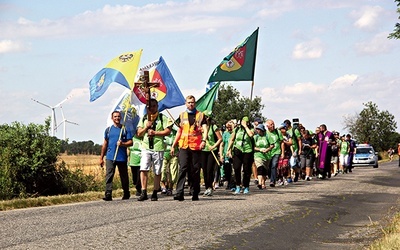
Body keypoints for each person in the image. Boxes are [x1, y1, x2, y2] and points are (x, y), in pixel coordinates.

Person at [171, 95, 208, 201]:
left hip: (196, 147)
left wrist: (204, 140)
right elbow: (179, 131)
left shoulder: (201, 116)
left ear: (195, 103)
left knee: (195, 170)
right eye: (188, 102)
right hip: (183, 146)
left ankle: (195, 192)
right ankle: (179, 192)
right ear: (185, 103)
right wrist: (173, 145)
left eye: (192, 102)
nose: (190, 104)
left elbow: (205, 129)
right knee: (182, 168)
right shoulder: (182, 116)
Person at [136, 99, 172, 201]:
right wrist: (145, 128)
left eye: (154, 106)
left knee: (157, 170)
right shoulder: (144, 118)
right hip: (146, 146)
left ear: (157, 106)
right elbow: (139, 133)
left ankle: (155, 191)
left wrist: (155, 133)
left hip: (158, 147)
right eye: (150, 106)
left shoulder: (162, 118)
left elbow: (168, 131)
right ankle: (144, 191)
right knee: (143, 169)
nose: (152, 108)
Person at [100, 111, 133, 201]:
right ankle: (108, 193)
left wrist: (123, 144)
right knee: (109, 175)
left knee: (124, 176)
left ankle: (126, 192)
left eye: (118, 116)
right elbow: (105, 144)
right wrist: (101, 157)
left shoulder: (125, 129)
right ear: (112, 118)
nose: (117, 118)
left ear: (121, 117)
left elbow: (131, 142)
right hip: (110, 156)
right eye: (115, 117)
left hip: (121, 157)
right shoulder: (108, 130)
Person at [227, 116, 254, 194]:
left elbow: (251, 135)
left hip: (247, 151)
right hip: (237, 150)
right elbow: (232, 139)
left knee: (246, 170)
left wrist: (245, 126)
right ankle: (238, 185)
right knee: (236, 168)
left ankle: (246, 186)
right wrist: (228, 149)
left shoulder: (251, 129)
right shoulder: (237, 129)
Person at [201, 110, 222, 196]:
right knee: (204, 170)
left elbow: (220, 139)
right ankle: (206, 187)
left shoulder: (214, 127)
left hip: (211, 151)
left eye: (206, 117)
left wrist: (213, 147)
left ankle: (210, 187)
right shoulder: (201, 127)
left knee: (209, 169)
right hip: (203, 150)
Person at [160, 124, 179, 196]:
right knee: (162, 170)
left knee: (173, 173)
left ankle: (170, 188)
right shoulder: (162, 132)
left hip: (174, 154)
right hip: (164, 153)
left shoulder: (176, 131)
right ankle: (163, 186)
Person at [253, 123, 273, 189]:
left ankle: (263, 183)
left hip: (267, 156)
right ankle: (259, 183)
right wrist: (260, 149)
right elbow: (253, 147)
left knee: (264, 170)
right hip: (258, 155)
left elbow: (272, 145)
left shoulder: (267, 136)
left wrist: (267, 149)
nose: (257, 131)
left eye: (259, 129)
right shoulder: (255, 137)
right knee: (260, 168)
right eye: (257, 129)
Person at [265, 119, 283, 187]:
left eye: (273, 124)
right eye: (271, 124)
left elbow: (282, 142)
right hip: (269, 152)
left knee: (274, 165)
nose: (273, 125)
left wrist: (282, 152)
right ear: (267, 126)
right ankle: (272, 177)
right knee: (269, 167)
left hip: (277, 151)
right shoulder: (266, 133)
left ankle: (272, 181)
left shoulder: (278, 132)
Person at [219, 120, 235, 190]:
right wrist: (221, 155)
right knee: (227, 169)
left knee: (234, 170)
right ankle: (228, 183)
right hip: (226, 155)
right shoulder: (225, 134)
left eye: (230, 127)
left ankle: (234, 184)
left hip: (234, 154)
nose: (229, 128)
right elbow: (222, 145)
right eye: (227, 127)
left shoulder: (235, 133)